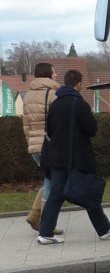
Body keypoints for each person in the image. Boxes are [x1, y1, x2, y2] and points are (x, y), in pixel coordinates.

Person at [36, 69, 110, 245]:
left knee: (56, 195)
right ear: (79, 84)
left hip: (57, 157)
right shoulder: (80, 104)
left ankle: (45, 232)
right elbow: (91, 130)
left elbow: (50, 131)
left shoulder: (55, 104)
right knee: (88, 190)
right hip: (77, 157)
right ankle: (104, 229)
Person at [21, 62, 63, 235]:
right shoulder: (53, 94)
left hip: (35, 146)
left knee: (50, 180)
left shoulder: (28, 96)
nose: (56, 75)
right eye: (54, 72)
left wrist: (31, 144)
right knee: (53, 184)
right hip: (50, 145)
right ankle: (46, 223)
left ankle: (35, 215)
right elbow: (59, 123)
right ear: (48, 74)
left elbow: (26, 125)